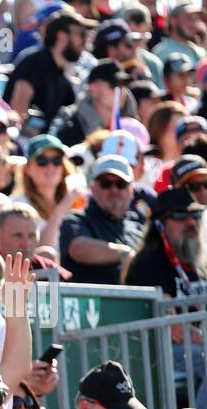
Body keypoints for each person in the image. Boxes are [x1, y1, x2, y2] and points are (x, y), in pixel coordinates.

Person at [59, 154, 144, 285]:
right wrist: (125, 254)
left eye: (120, 184)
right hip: (90, 303)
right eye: (106, 184)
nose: (114, 190)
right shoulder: (76, 220)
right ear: (93, 189)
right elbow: (79, 249)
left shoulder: (138, 227)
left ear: (131, 190)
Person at [6, 7, 89, 121]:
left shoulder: (62, 78)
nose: (85, 42)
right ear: (62, 36)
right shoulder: (34, 63)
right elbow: (17, 113)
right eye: (81, 34)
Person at [124, 187, 207, 297]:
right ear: (160, 225)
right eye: (180, 215)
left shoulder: (203, 260)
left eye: (196, 214)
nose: (191, 223)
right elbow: (163, 312)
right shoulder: (148, 266)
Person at [49, 59, 131, 148]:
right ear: (93, 88)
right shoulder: (68, 125)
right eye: (115, 84)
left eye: (124, 85)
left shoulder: (129, 125)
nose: (121, 91)